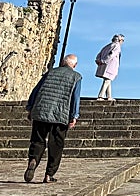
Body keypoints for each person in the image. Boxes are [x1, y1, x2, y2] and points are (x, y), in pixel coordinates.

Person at [24, 54, 81, 183]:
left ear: (62, 62)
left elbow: (36, 91)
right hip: (61, 114)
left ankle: (33, 160)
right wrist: (74, 116)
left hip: (41, 110)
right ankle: (49, 174)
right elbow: (75, 98)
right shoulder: (76, 77)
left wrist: (30, 107)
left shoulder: (49, 73)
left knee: (37, 140)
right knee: (56, 144)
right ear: (75, 65)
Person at [94, 34, 125, 102]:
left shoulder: (107, 46)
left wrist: (99, 61)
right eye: (122, 40)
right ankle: (100, 96)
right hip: (111, 66)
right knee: (107, 80)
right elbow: (112, 55)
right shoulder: (117, 46)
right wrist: (104, 61)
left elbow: (99, 54)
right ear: (120, 40)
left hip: (104, 66)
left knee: (108, 80)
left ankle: (109, 96)